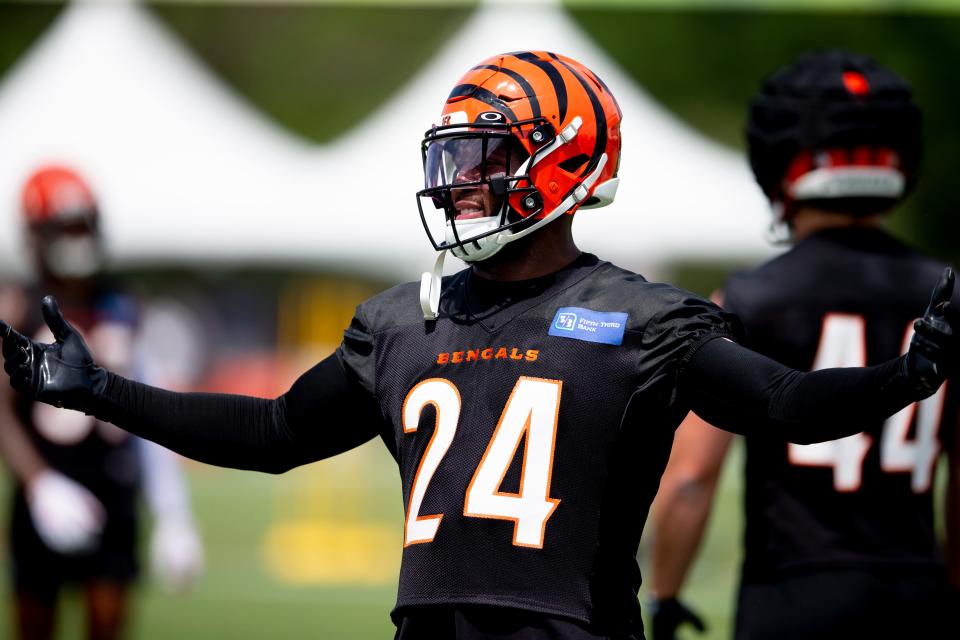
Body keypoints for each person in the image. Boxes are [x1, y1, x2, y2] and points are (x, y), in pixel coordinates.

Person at [0, 52, 957, 640]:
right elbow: (273, 430)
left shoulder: (642, 318)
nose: (459, 182)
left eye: (486, 157)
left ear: (565, 164)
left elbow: (788, 404)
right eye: (451, 159)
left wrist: (909, 373)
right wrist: (101, 391)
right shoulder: (404, 320)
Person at [647, 50, 960, 640]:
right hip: (917, 595)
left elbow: (692, 475)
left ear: (776, 159)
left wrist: (665, 595)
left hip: (788, 596)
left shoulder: (751, 295)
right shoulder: (947, 295)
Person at [0, 166, 204, 640]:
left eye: (83, 224)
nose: (80, 238)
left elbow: (152, 411)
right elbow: (1, 411)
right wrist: (38, 483)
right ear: (37, 232)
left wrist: (174, 512)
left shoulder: (125, 306)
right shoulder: (19, 306)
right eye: (67, 226)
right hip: (43, 499)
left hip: (114, 494)